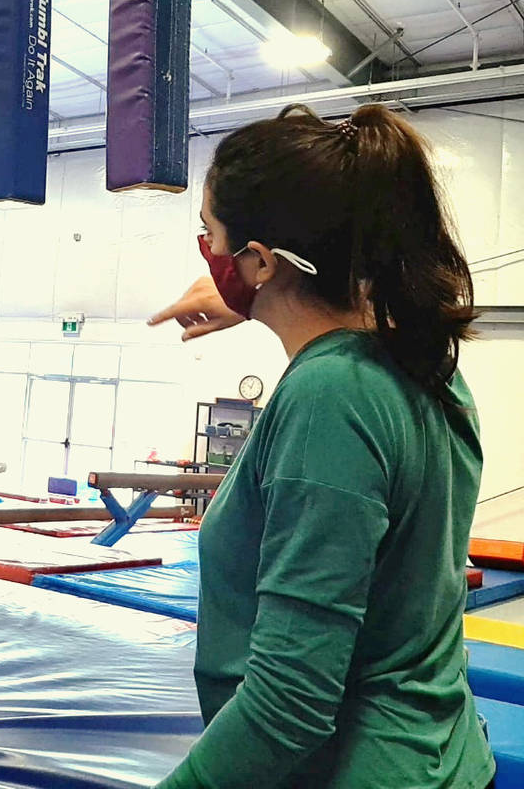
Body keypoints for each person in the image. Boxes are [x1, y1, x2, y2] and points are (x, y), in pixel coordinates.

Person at [147, 103, 496, 788]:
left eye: (209, 234)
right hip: (441, 755)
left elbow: (290, 706)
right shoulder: (420, 364)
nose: (205, 253)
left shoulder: (330, 399)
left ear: (257, 261)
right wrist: (256, 298)